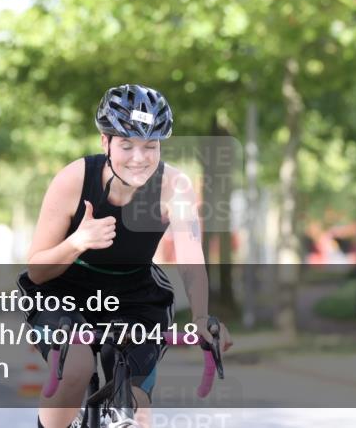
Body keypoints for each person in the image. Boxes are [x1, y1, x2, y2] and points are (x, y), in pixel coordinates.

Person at [17, 84, 233, 428]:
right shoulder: (73, 179)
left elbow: (191, 260)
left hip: (135, 295)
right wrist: (78, 241)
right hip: (62, 292)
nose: (139, 157)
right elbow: (38, 271)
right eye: (127, 145)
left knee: (138, 402)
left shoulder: (174, 187)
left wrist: (201, 317)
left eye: (151, 146)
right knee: (77, 368)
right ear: (106, 142)